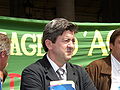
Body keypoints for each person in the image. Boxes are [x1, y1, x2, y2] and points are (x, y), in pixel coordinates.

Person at [20, 18, 97, 90]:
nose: (71, 46)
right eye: (66, 40)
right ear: (49, 44)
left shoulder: (80, 72)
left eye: (73, 41)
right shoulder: (32, 73)